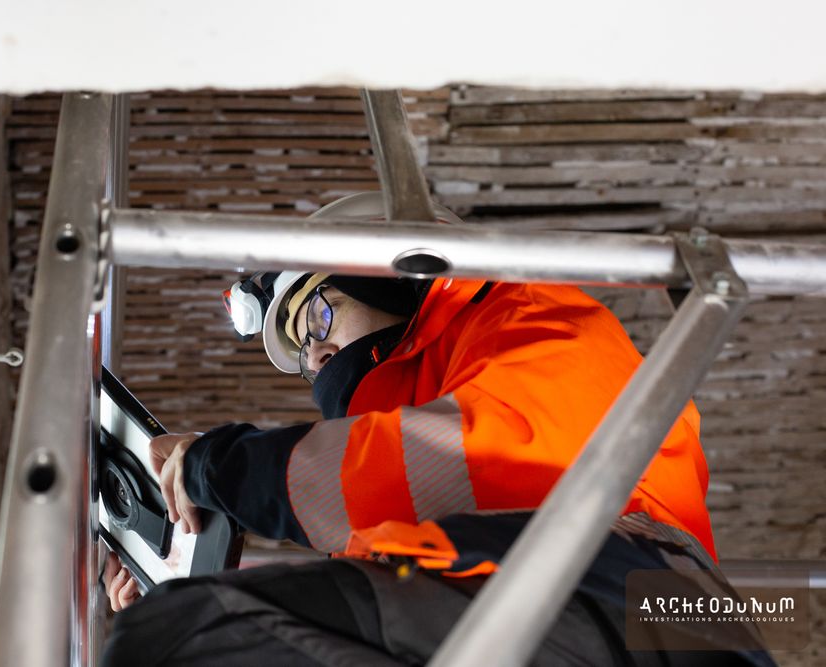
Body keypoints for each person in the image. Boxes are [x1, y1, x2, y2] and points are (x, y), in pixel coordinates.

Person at [101, 192, 773, 666]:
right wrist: (174, 572)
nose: (316, 356)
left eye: (319, 317)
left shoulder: (534, 316)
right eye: (303, 350)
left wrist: (217, 467)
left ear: (390, 272)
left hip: (637, 603)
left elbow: (458, 460)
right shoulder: (428, 438)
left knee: (184, 636)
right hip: (577, 602)